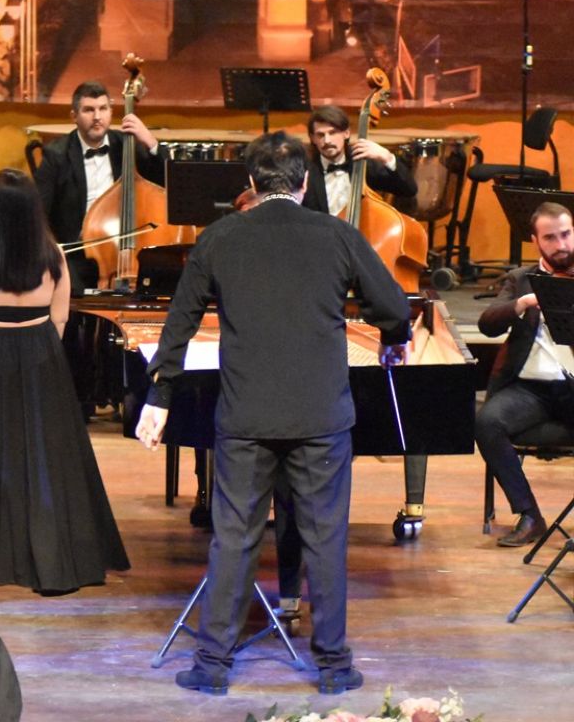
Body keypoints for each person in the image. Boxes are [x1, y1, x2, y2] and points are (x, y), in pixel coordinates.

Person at [136, 132, 410, 696]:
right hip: (320, 416)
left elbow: (180, 322)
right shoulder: (338, 234)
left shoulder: (219, 237)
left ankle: (212, 664)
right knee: (324, 539)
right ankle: (333, 667)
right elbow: (394, 307)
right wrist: (392, 339)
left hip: (246, 417)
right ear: (306, 183)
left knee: (233, 538)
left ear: (251, 183)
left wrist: (159, 396)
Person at [0, 169, 130, 594]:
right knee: (46, 454)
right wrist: (40, 351)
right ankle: (54, 552)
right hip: (42, 352)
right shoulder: (53, 252)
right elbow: (60, 317)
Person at [473, 201, 574, 546]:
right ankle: (530, 515)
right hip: (531, 390)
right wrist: (523, 303)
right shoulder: (521, 280)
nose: (561, 245)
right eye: (551, 238)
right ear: (535, 240)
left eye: (566, 235)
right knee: (487, 423)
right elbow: (487, 324)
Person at [33, 80, 165, 293]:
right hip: (76, 255)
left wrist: (151, 142)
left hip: (127, 251)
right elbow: (38, 212)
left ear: (111, 112)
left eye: (103, 109)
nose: (97, 117)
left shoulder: (126, 145)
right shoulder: (56, 155)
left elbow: (165, 181)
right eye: (89, 110)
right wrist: (52, 252)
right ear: (74, 116)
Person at [303, 104, 417, 216]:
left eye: (332, 133)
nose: (327, 140)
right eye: (320, 135)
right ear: (313, 138)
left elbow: (409, 190)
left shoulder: (363, 162)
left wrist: (387, 157)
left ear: (346, 133)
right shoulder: (304, 170)